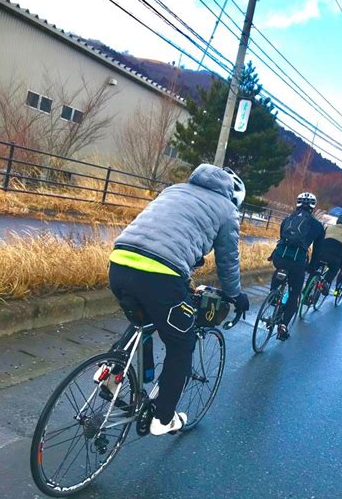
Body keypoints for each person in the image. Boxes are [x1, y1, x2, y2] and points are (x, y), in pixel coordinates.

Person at [107, 164, 250, 436]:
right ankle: (163, 418)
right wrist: (235, 295)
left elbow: (165, 230)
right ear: (233, 196)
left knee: (145, 319)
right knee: (181, 346)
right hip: (161, 275)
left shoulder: (175, 190)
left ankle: (110, 373)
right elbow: (228, 260)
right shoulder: (227, 210)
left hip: (119, 261)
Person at [269, 192, 324, 340]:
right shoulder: (318, 226)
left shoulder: (288, 218)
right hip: (297, 261)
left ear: (297, 203)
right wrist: (312, 267)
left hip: (279, 258)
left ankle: (273, 295)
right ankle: (283, 326)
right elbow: (318, 251)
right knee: (295, 294)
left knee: (280, 271)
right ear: (313, 207)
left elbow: (281, 238)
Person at [308, 214, 342, 295]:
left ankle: (306, 291)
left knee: (315, 271)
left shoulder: (328, 228)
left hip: (322, 254)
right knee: (333, 269)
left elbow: (320, 242)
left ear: (337, 221)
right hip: (335, 258)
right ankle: (326, 282)